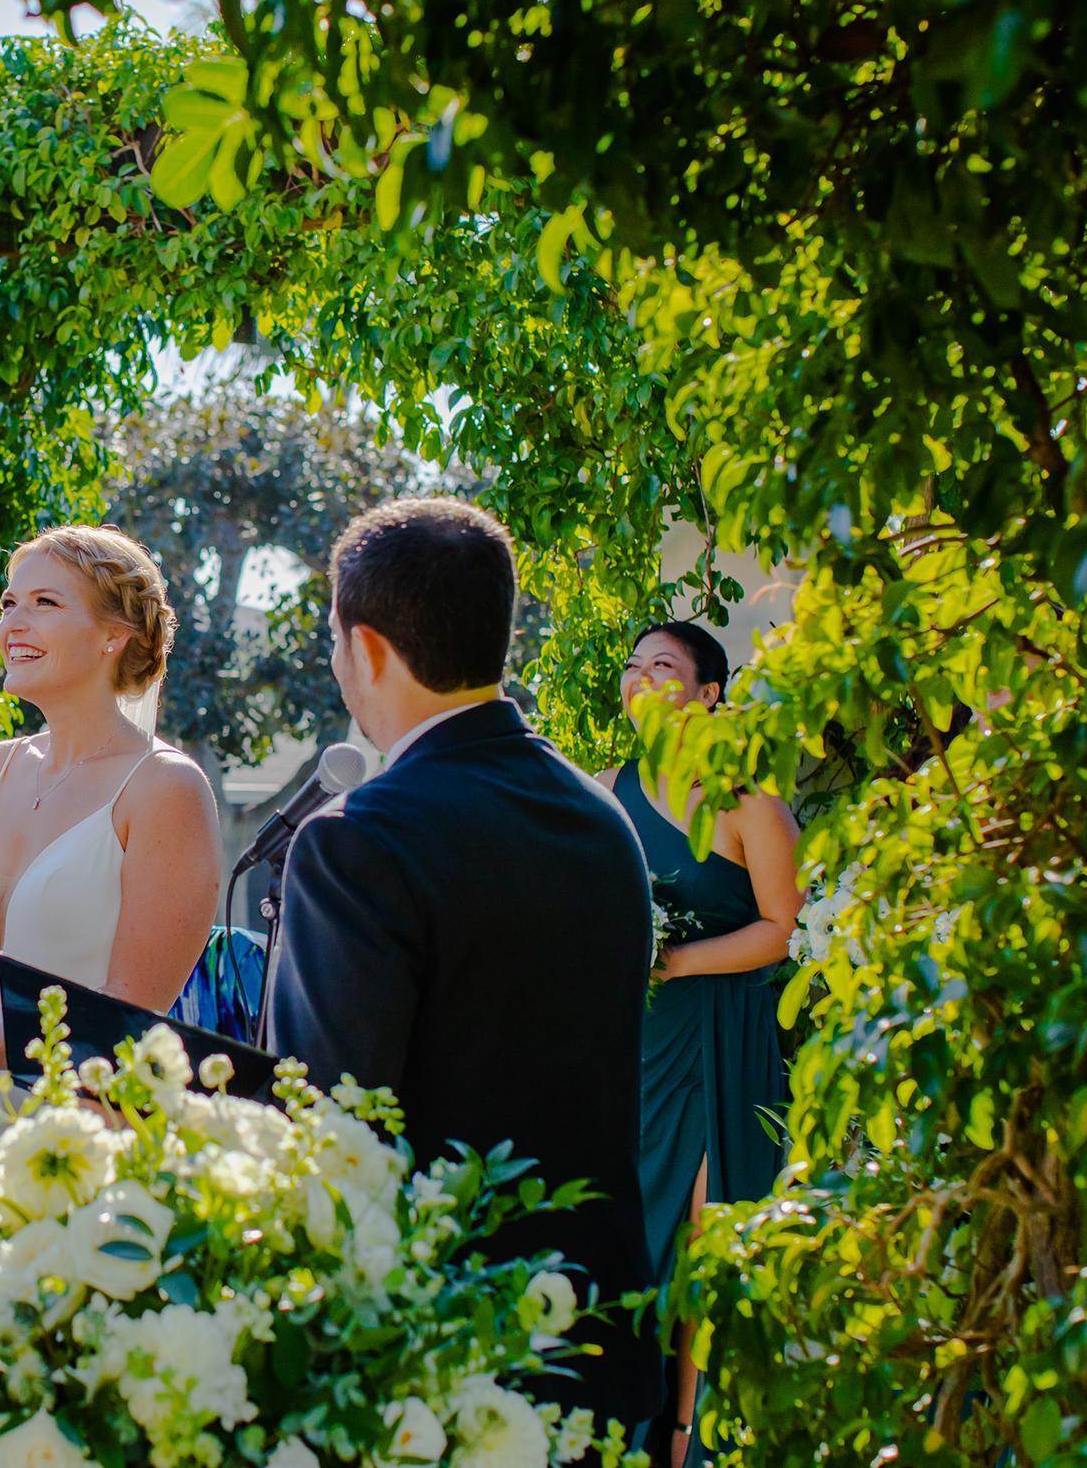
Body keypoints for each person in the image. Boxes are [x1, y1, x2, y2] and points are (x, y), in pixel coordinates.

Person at [265, 498, 661, 1446]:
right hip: (597, 1336)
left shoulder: (357, 840)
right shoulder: (604, 820)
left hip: (434, 1357)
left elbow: (328, 1123)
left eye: (333, 643)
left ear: (366, 649)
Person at [0, 525, 222, 1141]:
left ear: (112, 636)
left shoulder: (164, 788)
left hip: (81, 1122)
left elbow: (127, 1012)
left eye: (44, 603)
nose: (13, 623)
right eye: (9, 603)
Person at [599, 621, 801, 1468]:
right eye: (635, 665)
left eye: (665, 665)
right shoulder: (606, 791)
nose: (642, 677)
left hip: (726, 1033)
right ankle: (631, 1436)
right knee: (637, 1236)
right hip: (640, 1045)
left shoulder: (747, 799)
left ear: (709, 693)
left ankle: (706, 1441)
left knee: (712, 1238)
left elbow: (782, 927)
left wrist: (672, 959)